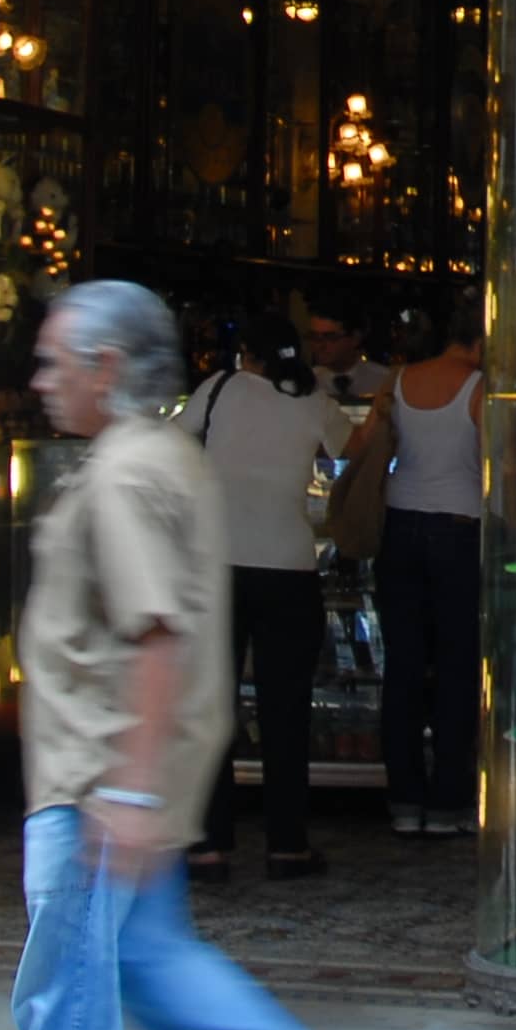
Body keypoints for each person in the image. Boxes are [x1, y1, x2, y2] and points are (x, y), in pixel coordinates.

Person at [0, 281, 338, 1030]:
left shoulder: (126, 473)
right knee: (141, 957)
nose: (40, 379)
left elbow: (152, 632)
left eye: (54, 362)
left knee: (65, 992)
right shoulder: (161, 456)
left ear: (105, 368)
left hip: (97, 773)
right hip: (123, 772)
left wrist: (131, 790)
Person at [191, 313, 346, 880]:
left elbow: (171, 442)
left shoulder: (219, 388)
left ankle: (209, 844)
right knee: (286, 709)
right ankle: (287, 845)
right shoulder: (315, 399)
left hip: (216, 564)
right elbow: (352, 448)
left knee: (212, 706)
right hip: (288, 566)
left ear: (247, 356)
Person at [356, 296, 485, 841]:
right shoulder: (479, 389)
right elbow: (503, 463)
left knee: (404, 666)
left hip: (400, 527)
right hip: (459, 527)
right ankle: (449, 801)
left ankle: (405, 800)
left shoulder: (399, 379)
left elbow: (361, 442)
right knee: (457, 667)